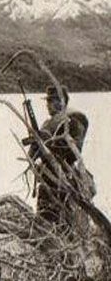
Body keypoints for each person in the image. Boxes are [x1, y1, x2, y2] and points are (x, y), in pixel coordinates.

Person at [30, 85, 89, 226]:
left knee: (64, 218)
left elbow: (75, 151)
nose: (47, 105)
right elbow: (33, 152)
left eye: (51, 101)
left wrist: (49, 146)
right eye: (48, 101)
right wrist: (36, 142)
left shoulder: (74, 120)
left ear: (61, 102)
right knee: (44, 216)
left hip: (65, 175)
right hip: (47, 176)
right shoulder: (48, 123)